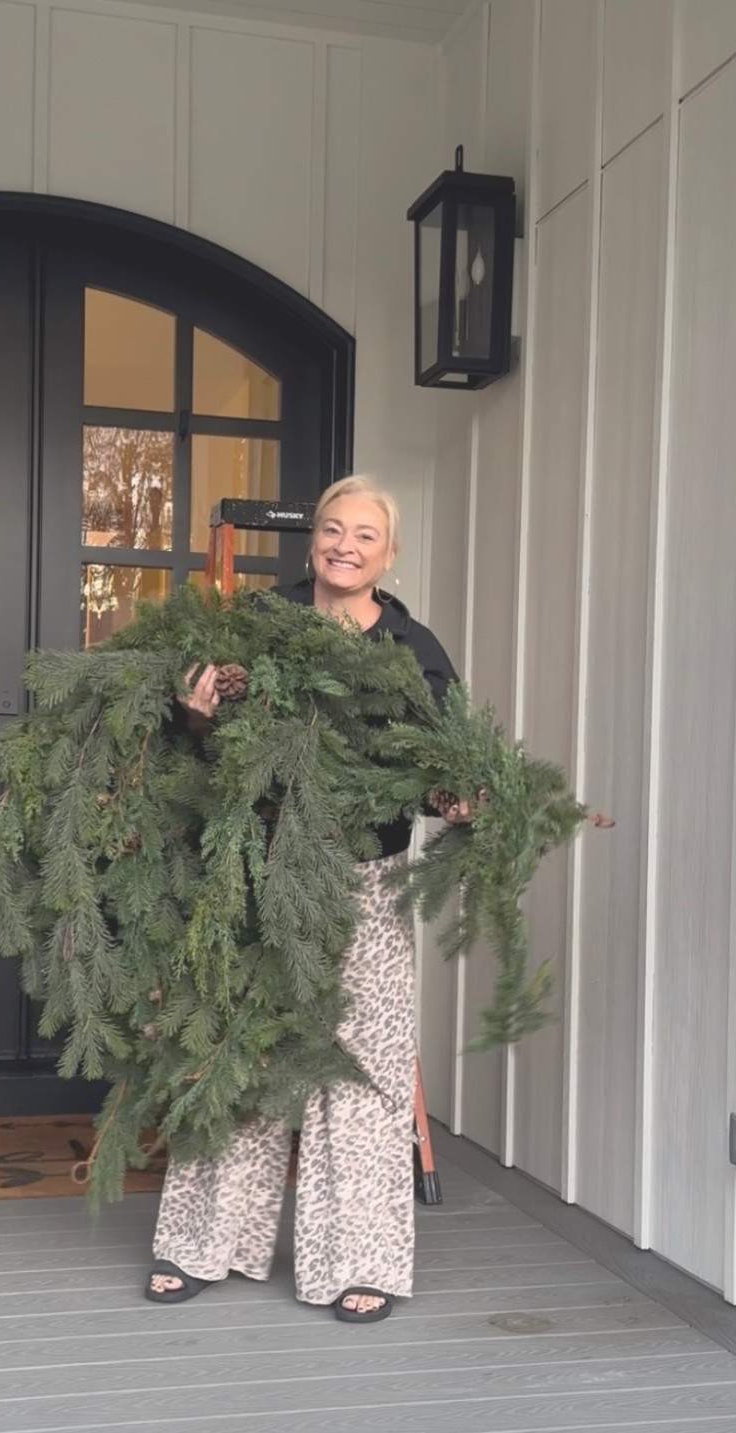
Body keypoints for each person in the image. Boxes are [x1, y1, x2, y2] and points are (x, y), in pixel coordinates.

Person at [146, 475, 474, 1323]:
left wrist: (457, 797)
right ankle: (200, 1242)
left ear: (389, 553)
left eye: (364, 534)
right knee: (238, 1051)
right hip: (258, 870)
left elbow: (440, 764)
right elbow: (203, 747)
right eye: (333, 529)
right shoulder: (259, 625)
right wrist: (195, 714)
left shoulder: (412, 648)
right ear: (312, 540)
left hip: (367, 877)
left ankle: (360, 1260)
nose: (344, 546)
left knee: (361, 1068)